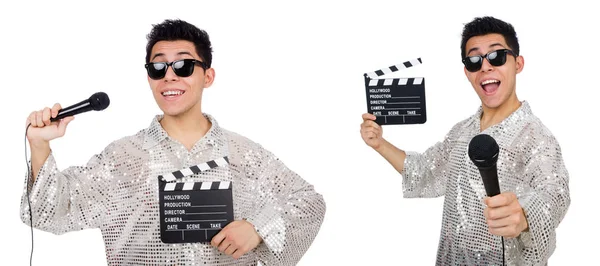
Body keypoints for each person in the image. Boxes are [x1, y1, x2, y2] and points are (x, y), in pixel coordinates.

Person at [21, 19, 326, 265]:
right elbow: (53, 211)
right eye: (158, 67)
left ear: (207, 76)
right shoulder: (122, 159)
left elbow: (308, 203)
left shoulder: (244, 155)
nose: (169, 76)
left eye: (183, 66)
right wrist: (40, 146)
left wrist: (259, 228)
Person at [360, 16, 570, 265]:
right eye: (474, 60)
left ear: (518, 63)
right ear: (467, 72)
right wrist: (379, 144)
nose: (485, 67)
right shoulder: (462, 131)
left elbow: (555, 195)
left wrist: (524, 216)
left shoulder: (536, 136)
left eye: (497, 56)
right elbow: (425, 169)